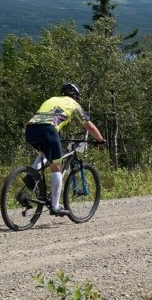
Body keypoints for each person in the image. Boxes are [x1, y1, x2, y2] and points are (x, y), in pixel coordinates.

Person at [25, 82, 105, 216]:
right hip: (48, 130)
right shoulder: (73, 104)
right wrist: (100, 140)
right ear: (74, 96)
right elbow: (89, 126)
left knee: (44, 154)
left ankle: (32, 177)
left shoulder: (51, 100)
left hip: (30, 129)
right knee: (57, 167)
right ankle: (55, 206)